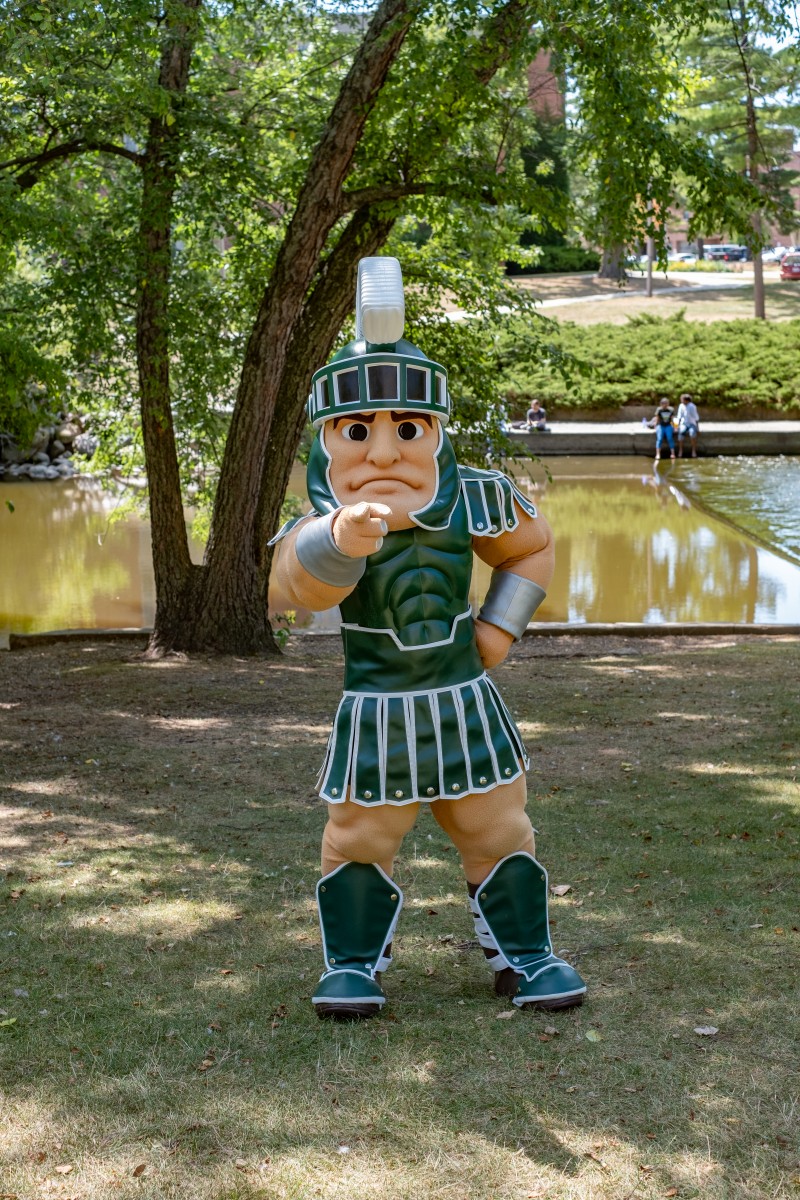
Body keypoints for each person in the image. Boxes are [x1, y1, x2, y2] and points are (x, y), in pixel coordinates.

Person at [273, 257, 586, 1021]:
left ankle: (525, 955)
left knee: (499, 826)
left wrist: (498, 628)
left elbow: (532, 547)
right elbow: (289, 588)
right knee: (357, 835)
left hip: (463, 700)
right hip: (377, 706)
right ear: (327, 440)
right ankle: (352, 964)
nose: (383, 453)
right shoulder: (317, 520)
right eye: (358, 430)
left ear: (437, 430)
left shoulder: (479, 491)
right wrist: (341, 540)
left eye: (407, 429)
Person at [649, 396, 676, 461]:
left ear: (668, 404)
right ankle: (658, 454)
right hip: (661, 425)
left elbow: (673, 419)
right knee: (659, 438)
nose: (664, 405)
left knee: (670, 438)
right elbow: (657, 418)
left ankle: (672, 453)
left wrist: (675, 427)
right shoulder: (659, 410)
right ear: (661, 404)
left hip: (668, 425)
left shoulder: (671, 409)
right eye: (663, 403)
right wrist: (655, 426)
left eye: (666, 403)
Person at [676, 392, 700, 458]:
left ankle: (693, 450)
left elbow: (696, 417)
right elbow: (679, 417)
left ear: (686, 400)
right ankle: (680, 450)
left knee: (692, 433)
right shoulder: (681, 406)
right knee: (681, 433)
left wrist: (698, 428)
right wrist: (676, 426)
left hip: (692, 423)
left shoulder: (692, 406)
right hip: (684, 423)